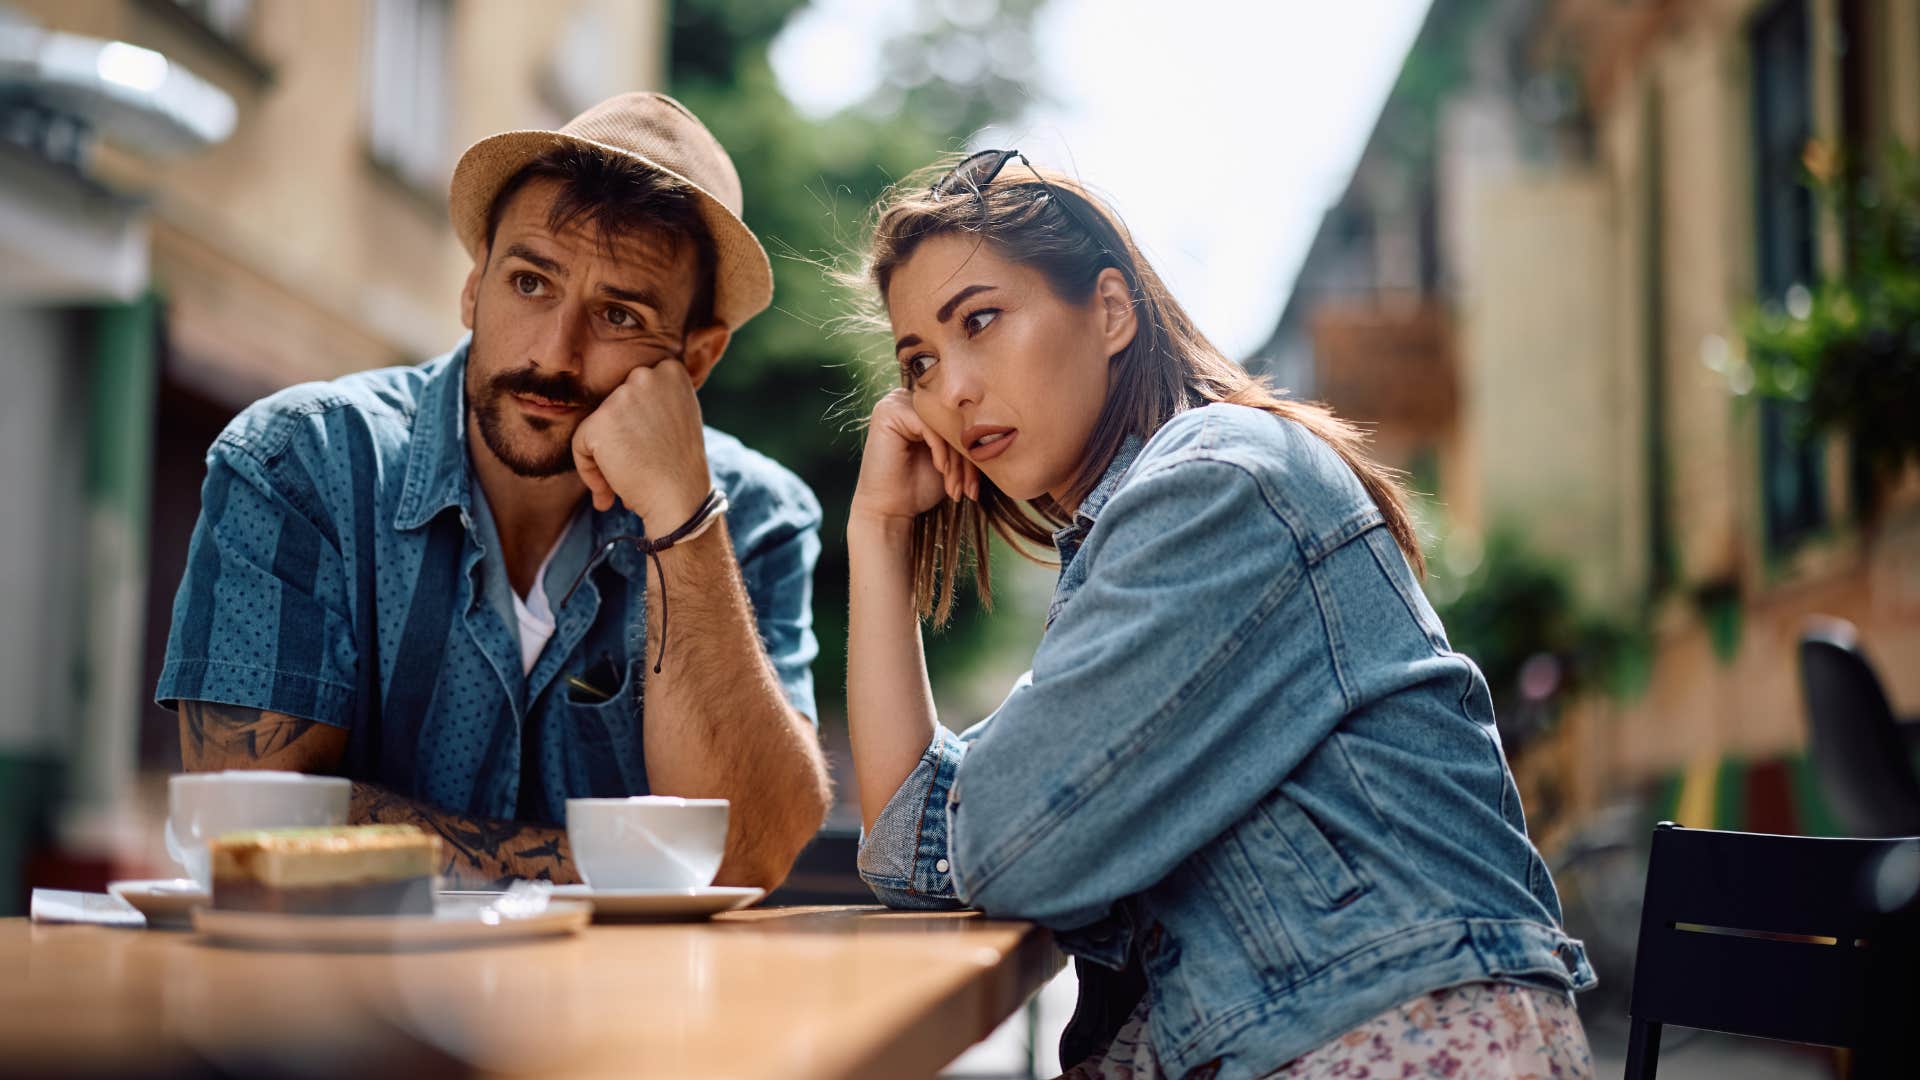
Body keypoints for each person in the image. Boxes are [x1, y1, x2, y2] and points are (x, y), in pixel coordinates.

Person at [844, 150, 1597, 1078]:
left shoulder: (1215, 485)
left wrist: (992, 831)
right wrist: (877, 534)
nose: (949, 390)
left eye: (982, 321)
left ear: (1111, 311)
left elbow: (1001, 849)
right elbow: (913, 843)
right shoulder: (1135, 540)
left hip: (1399, 1033)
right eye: (918, 361)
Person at [157, 93, 831, 890]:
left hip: (629, 1014)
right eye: (530, 283)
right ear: (474, 288)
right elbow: (248, 822)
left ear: (696, 359)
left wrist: (683, 523)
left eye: (619, 314)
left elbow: (752, 848)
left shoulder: (752, 516)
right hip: (339, 1003)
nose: (555, 352)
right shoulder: (300, 464)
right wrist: (615, 868)